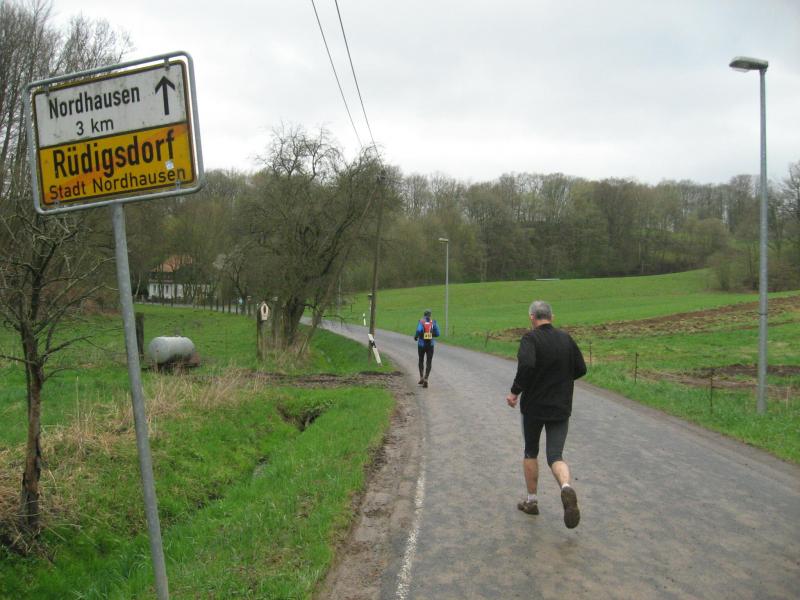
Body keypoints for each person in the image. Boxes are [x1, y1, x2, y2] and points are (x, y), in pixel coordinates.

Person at [506, 300, 587, 529]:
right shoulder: (566, 339)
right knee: (555, 456)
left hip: (534, 407)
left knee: (530, 451)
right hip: (560, 407)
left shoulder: (530, 339)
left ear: (532, 317)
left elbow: (527, 365)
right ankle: (566, 487)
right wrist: (560, 379)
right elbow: (581, 369)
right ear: (552, 316)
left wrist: (514, 392)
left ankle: (532, 501)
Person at [414, 309, 440, 388]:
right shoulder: (433, 322)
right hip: (430, 345)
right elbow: (438, 333)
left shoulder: (421, 322)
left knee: (421, 360)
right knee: (429, 361)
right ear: (430, 315)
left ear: (424, 314)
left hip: (421, 344)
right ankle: (426, 378)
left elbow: (418, 330)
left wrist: (416, 337)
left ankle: (421, 377)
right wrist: (431, 334)